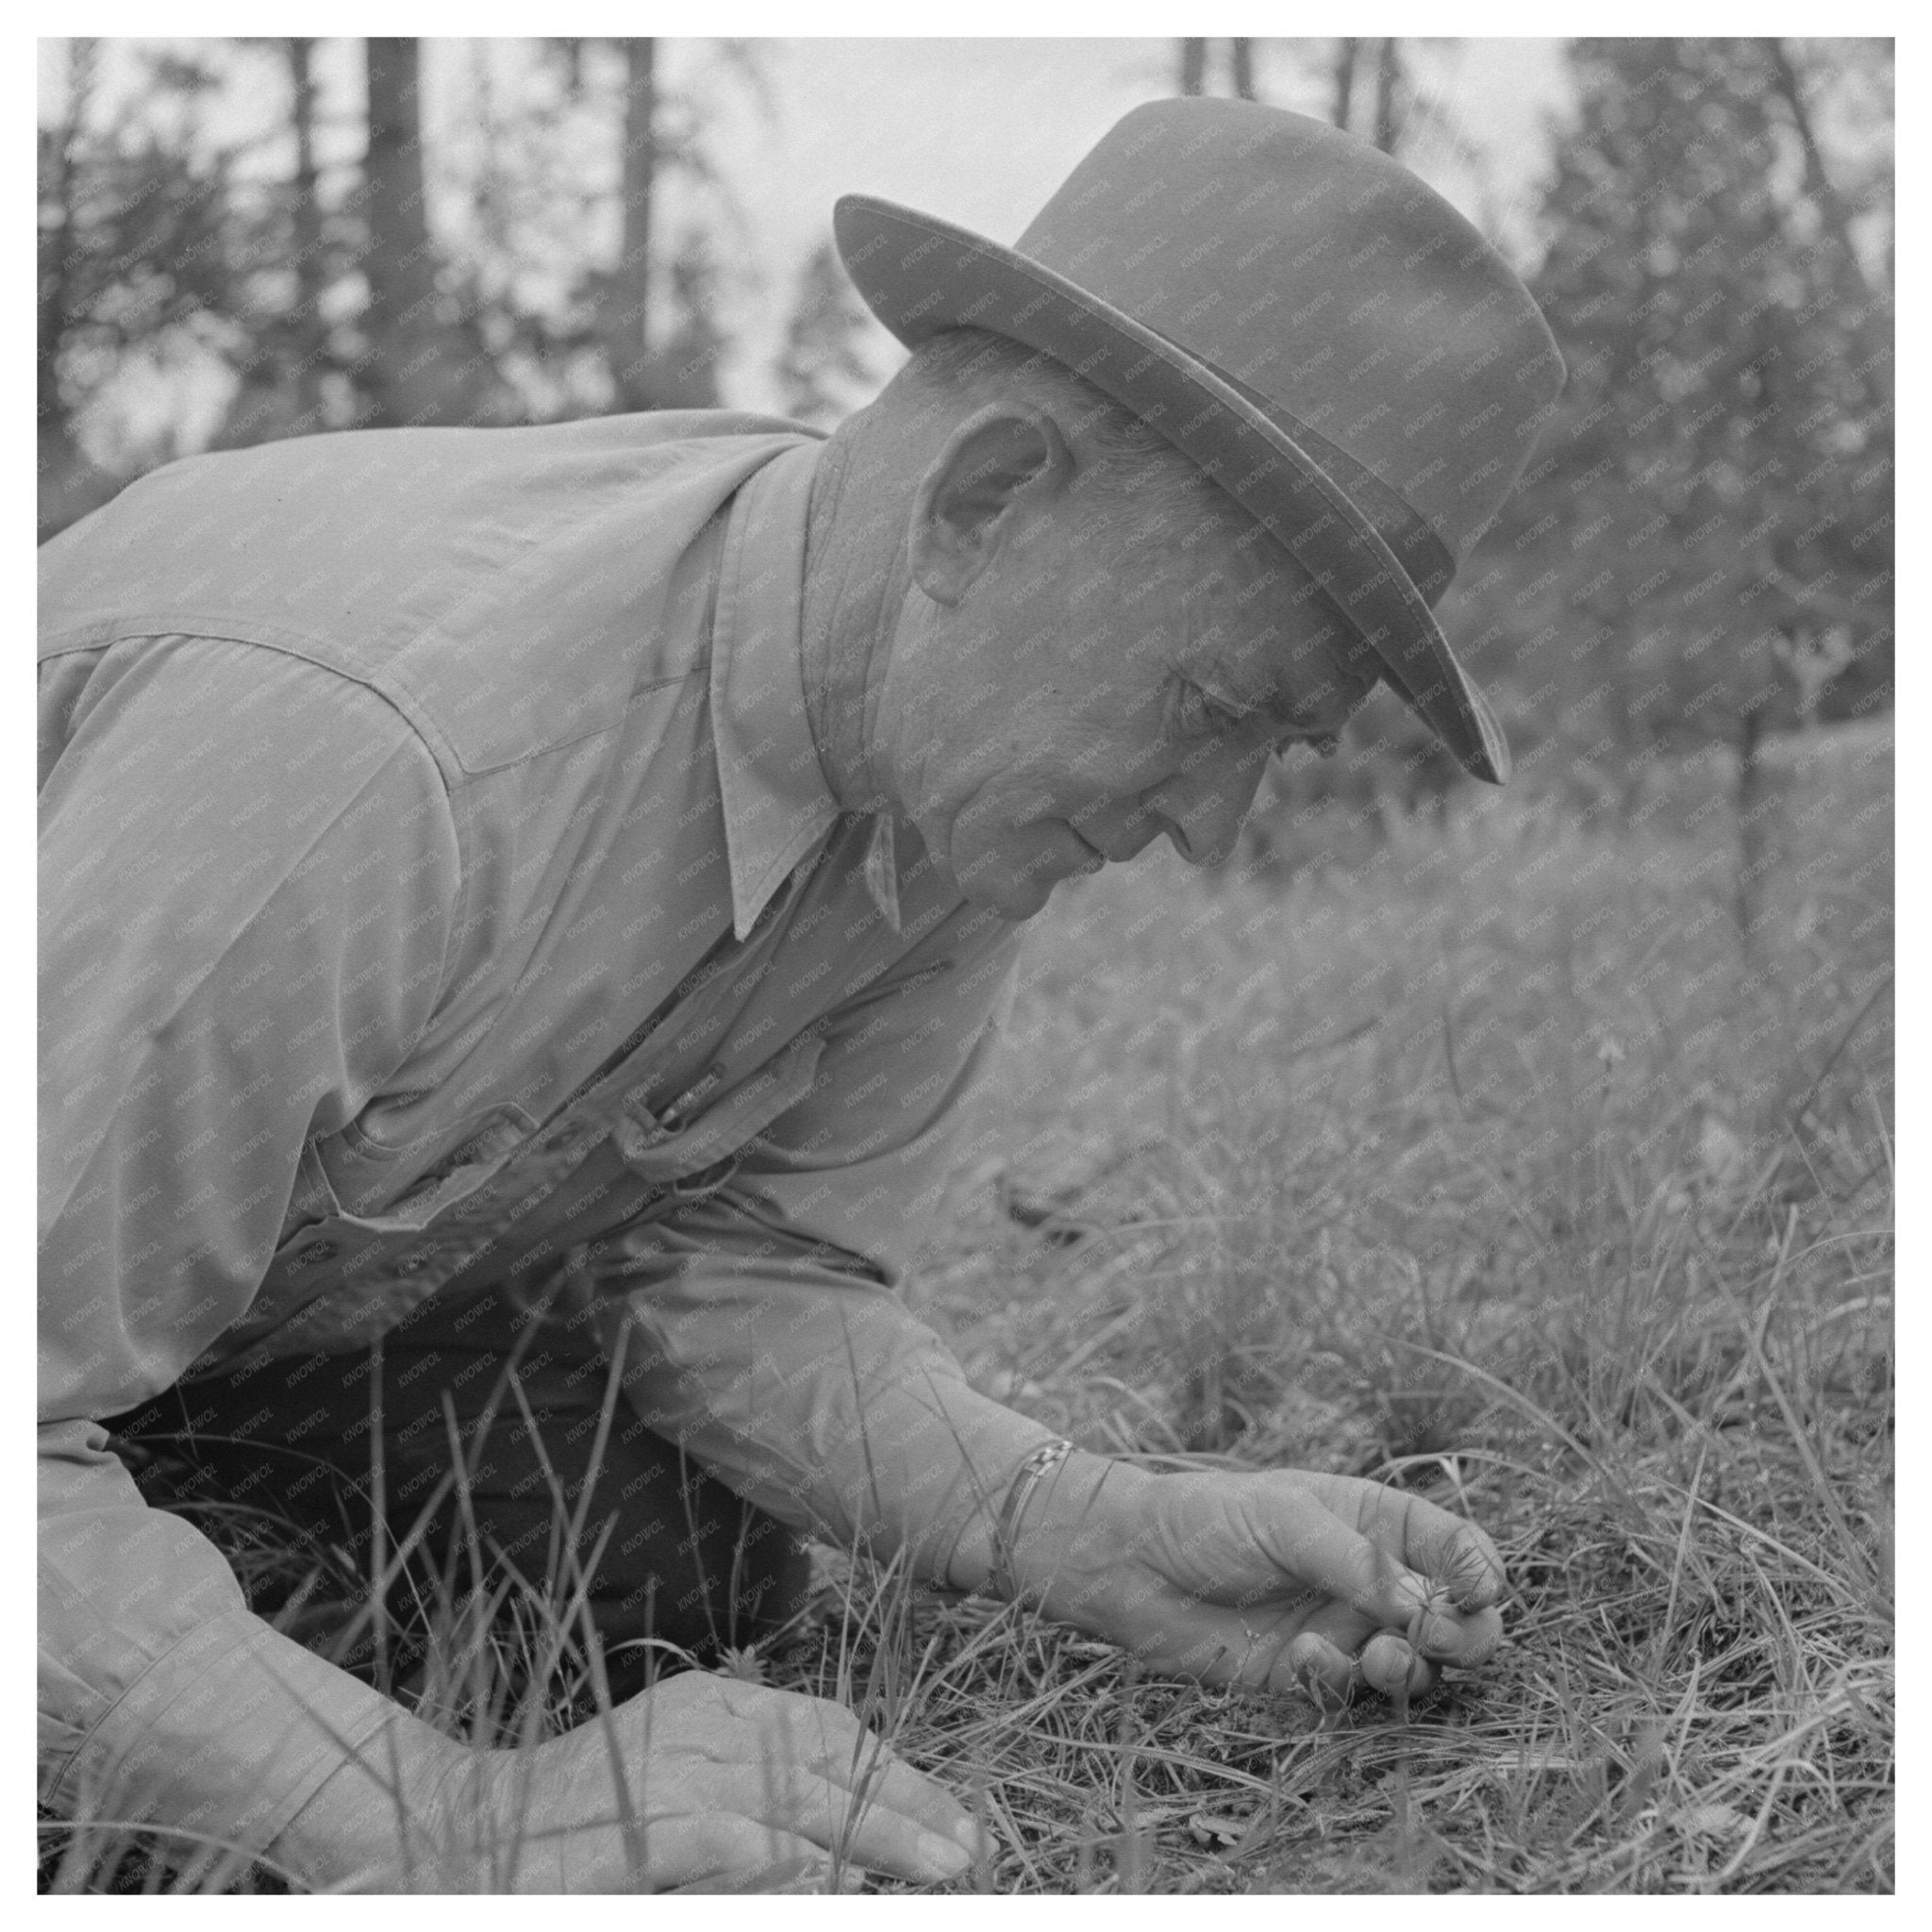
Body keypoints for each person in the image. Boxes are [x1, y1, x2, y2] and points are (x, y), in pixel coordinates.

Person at [39, 98, 1564, 1892]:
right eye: (1213, 708)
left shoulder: (948, 770)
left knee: (667, 1563)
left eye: (1275, 749)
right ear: (986, 497)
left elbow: (755, 1273)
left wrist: (1094, 1532)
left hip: (173, 1300)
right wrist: (450, 1821)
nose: (1207, 828)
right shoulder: (375, 767)